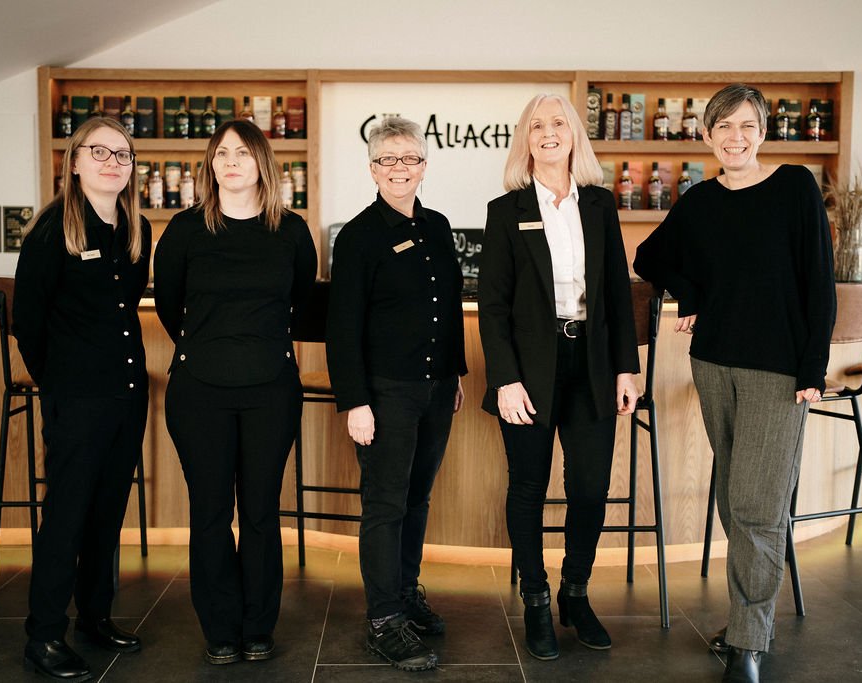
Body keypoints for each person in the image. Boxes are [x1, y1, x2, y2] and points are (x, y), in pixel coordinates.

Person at [634, 83, 835, 683]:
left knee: (757, 504)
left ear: (763, 131)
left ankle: (747, 641)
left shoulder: (796, 187)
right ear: (706, 135)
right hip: (714, 363)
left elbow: (818, 282)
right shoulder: (698, 203)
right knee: (733, 498)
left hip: (779, 371)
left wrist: (812, 368)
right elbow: (649, 257)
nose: (735, 137)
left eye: (746, 126)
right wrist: (691, 293)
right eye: (723, 127)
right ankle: (750, 618)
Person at [478, 94, 640, 661]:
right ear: (525, 138)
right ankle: (537, 600)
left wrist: (627, 366)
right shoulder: (507, 210)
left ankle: (575, 591)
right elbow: (492, 307)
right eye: (537, 125)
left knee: (590, 488)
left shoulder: (599, 204)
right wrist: (505, 379)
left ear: (574, 134)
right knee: (527, 487)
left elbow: (617, 293)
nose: (548, 132)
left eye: (558, 123)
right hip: (529, 372)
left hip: (592, 366)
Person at [153, 120, 317, 665]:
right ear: (210, 164)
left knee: (261, 512)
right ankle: (220, 628)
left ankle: (257, 626)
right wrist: (207, 347)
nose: (231, 162)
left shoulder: (291, 231)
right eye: (222, 153)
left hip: (271, 387)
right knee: (209, 511)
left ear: (263, 164)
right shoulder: (184, 230)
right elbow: (169, 305)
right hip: (200, 390)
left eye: (243, 153)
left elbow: (300, 302)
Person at [326, 116, 467, 672]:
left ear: (424, 166)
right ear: (373, 169)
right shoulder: (359, 236)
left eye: (409, 158)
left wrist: (453, 376)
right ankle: (384, 620)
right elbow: (344, 327)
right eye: (388, 159)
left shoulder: (437, 225)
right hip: (384, 394)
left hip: (435, 389)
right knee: (384, 506)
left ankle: (406, 595)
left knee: (417, 498)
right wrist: (354, 402)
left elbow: (448, 308)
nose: (399, 168)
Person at [13, 116, 151, 681]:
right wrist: (59, 382)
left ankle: (94, 616)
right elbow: (28, 322)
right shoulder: (52, 230)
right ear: (74, 161)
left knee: (106, 513)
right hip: (77, 396)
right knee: (67, 514)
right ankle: (44, 634)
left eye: (123, 154)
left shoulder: (134, 229)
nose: (113, 162)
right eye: (101, 152)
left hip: (126, 394)